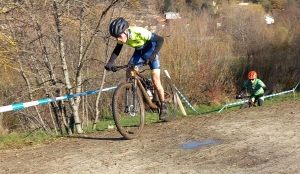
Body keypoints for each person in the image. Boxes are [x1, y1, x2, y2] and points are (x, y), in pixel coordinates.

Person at [104, 17, 168, 120]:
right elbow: (117, 49)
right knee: (129, 72)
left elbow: (160, 39)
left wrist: (154, 55)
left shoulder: (139, 32)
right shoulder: (122, 36)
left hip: (151, 51)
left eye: (119, 36)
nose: (118, 39)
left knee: (156, 80)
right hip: (139, 53)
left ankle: (164, 105)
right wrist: (110, 62)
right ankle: (140, 90)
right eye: (116, 37)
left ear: (125, 31)